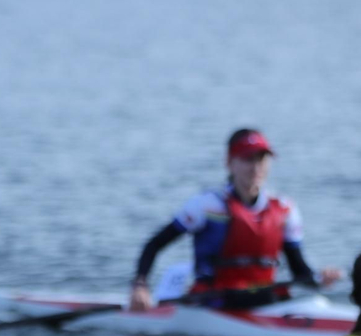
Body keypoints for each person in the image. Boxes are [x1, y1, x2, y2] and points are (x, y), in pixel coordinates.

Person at [129, 129, 342, 311]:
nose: (256, 167)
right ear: (230, 163)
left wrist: (319, 280)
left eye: (261, 159)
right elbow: (154, 245)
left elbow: (299, 271)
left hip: (264, 299)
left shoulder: (285, 209)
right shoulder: (207, 205)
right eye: (248, 159)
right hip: (214, 302)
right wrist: (140, 286)